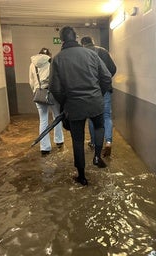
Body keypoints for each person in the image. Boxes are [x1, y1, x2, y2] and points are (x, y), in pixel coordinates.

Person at [49, 27, 112, 186]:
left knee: (77, 140)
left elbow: (55, 88)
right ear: (76, 38)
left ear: (62, 40)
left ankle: (82, 176)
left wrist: (65, 103)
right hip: (95, 102)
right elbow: (106, 78)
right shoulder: (91, 54)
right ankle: (97, 157)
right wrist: (98, 94)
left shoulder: (57, 59)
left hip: (74, 105)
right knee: (99, 127)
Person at [80, 36, 116, 157]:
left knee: (92, 117)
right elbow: (113, 69)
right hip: (105, 90)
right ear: (93, 42)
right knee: (106, 116)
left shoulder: (82, 54)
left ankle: (94, 143)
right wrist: (105, 81)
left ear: (82, 44)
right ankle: (109, 141)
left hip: (90, 91)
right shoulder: (103, 51)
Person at [29, 47, 64, 156]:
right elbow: (56, 79)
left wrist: (36, 91)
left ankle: (45, 147)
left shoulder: (32, 64)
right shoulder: (51, 62)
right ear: (49, 55)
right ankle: (59, 140)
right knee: (57, 116)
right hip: (52, 93)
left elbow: (31, 81)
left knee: (43, 120)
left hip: (39, 93)